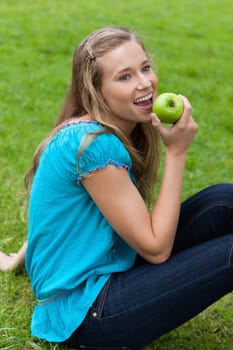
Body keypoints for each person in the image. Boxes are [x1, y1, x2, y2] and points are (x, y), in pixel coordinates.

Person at [0, 26, 233, 350]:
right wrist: (177, 153)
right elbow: (155, 248)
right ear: (96, 90)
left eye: (145, 67)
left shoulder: (85, 129)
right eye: (124, 77)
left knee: (224, 200)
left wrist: (18, 259)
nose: (144, 83)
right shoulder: (92, 145)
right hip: (89, 315)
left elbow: (57, 213)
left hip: (105, 273)